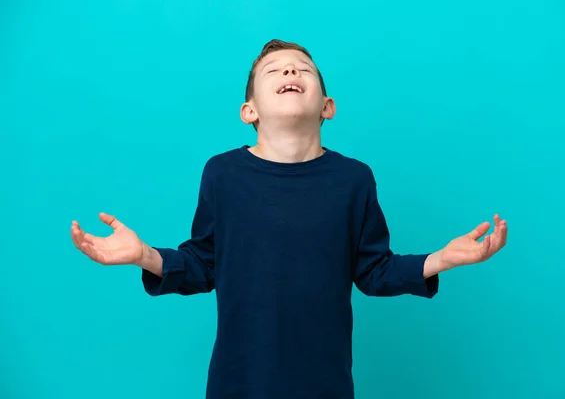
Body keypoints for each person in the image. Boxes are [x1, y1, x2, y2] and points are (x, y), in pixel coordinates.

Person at [71, 39, 508, 399]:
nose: (290, 73)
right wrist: (146, 255)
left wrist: (440, 260)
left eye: (303, 69)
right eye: (274, 71)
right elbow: (204, 263)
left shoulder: (354, 179)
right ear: (249, 111)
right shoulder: (223, 173)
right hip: (238, 383)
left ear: (327, 106)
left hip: (326, 384)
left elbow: (374, 270)